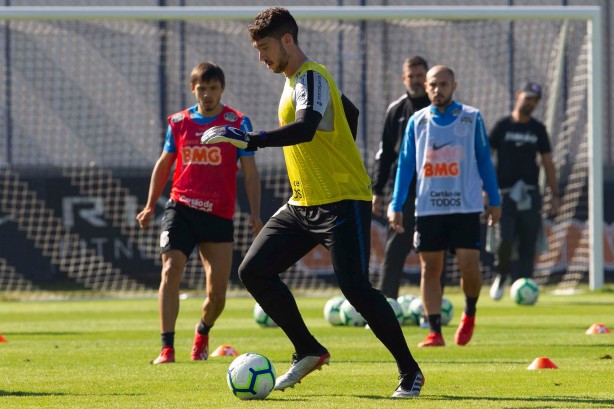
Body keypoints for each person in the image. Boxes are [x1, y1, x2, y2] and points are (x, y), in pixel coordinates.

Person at [201, 7, 424, 398]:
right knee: (253, 271)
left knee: (356, 289)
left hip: (342, 201)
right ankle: (308, 349)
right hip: (303, 203)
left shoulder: (312, 76)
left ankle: (411, 372)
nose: (261, 57)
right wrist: (336, 145)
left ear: (287, 40)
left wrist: (251, 139)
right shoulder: (294, 81)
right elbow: (347, 111)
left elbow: (305, 128)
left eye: (265, 48)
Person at [136, 62, 263, 365]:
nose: (207, 94)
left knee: (217, 295)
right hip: (181, 208)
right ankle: (167, 348)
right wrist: (151, 204)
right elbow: (165, 164)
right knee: (170, 270)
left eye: (213, 88)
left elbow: (250, 172)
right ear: (193, 89)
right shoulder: (179, 122)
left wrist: (255, 214)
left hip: (218, 215)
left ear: (222, 89)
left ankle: (203, 331)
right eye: (201, 88)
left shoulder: (237, 123)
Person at [389, 65, 501, 347]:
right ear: (426, 88)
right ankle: (435, 331)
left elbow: (485, 160)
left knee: (469, 266)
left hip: (465, 206)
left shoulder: (471, 118)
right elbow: (405, 165)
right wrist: (396, 203)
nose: (438, 90)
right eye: (433, 85)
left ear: (454, 85)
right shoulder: (418, 121)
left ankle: (470, 312)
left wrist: (494, 199)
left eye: (444, 84)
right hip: (429, 207)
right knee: (430, 268)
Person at [488, 82, 560, 300]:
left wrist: (555, 194)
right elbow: (486, 158)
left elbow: (547, 162)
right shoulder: (502, 126)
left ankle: (524, 284)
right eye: (527, 97)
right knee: (505, 238)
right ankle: (502, 274)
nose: (530, 102)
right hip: (504, 193)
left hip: (529, 193)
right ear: (518, 95)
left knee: (528, 240)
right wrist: (485, 188)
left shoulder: (538, 129)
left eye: (534, 100)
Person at [372, 56, 432, 299]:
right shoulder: (396, 110)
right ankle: (387, 305)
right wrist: (377, 190)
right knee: (396, 246)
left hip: (435, 187)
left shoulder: (440, 107)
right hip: (404, 189)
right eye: (412, 77)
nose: (416, 81)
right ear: (404, 79)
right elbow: (384, 153)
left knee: (434, 249)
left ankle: (432, 308)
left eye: (421, 76)